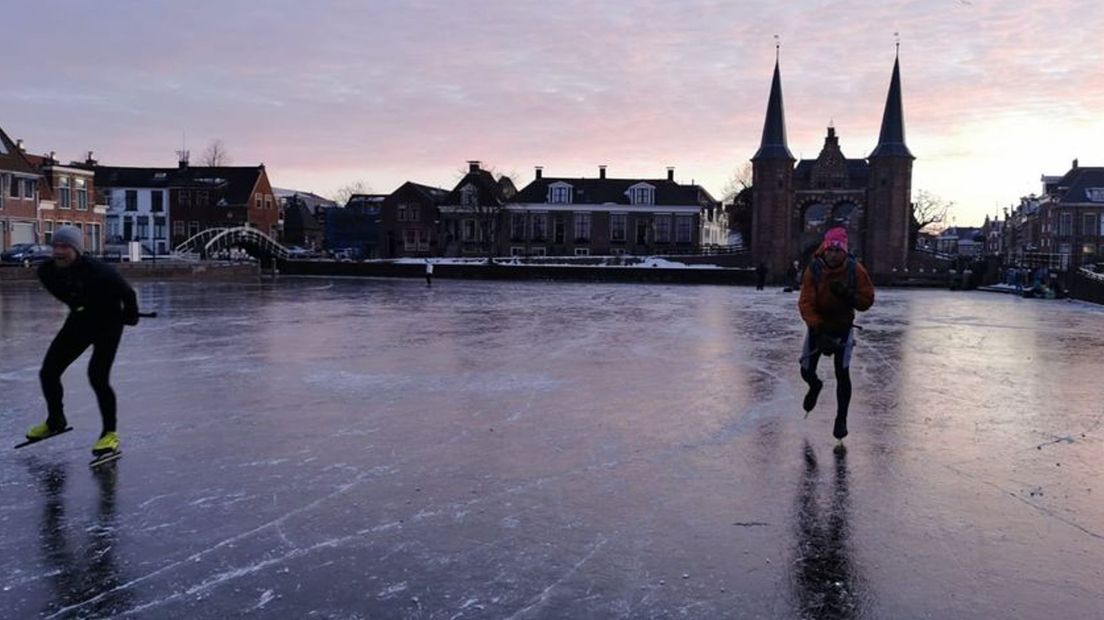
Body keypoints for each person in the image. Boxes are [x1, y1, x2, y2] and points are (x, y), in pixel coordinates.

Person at [27, 225, 139, 457]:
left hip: (108, 324)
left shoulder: (100, 271)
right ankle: (55, 420)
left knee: (97, 377)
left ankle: (109, 433)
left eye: (65, 246)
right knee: (48, 372)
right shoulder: (46, 271)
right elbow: (69, 295)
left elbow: (128, 294)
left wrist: (130, 316)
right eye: (56, 246)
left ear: (77, 249)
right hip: (80, 321)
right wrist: (80, 302)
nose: (59, 251)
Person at [797, 227, 874, 440]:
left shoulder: (855, 270)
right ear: (824, 248)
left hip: (843, 327)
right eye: (829, 249)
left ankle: (841, 419)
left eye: (837, 251)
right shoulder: (814, 269)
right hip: (819, 326)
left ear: (844, 252)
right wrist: (818, 328)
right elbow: (805, 302)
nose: (832, 254)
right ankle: (815, 385)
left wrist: (849, 296)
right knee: (805, 370)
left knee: (843, 373)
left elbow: (867, 300)